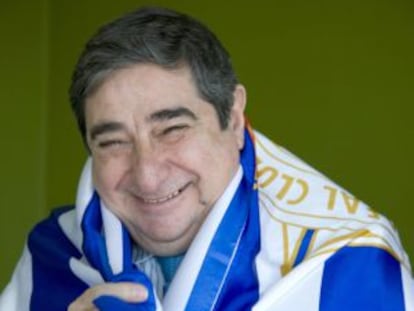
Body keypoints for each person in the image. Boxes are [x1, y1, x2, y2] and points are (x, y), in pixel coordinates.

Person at [0, 6, 413, 311]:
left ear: (233, 118)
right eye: (113, 142)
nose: (147, 174)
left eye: (172, 129)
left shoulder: (350, 265)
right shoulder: (53, 253)